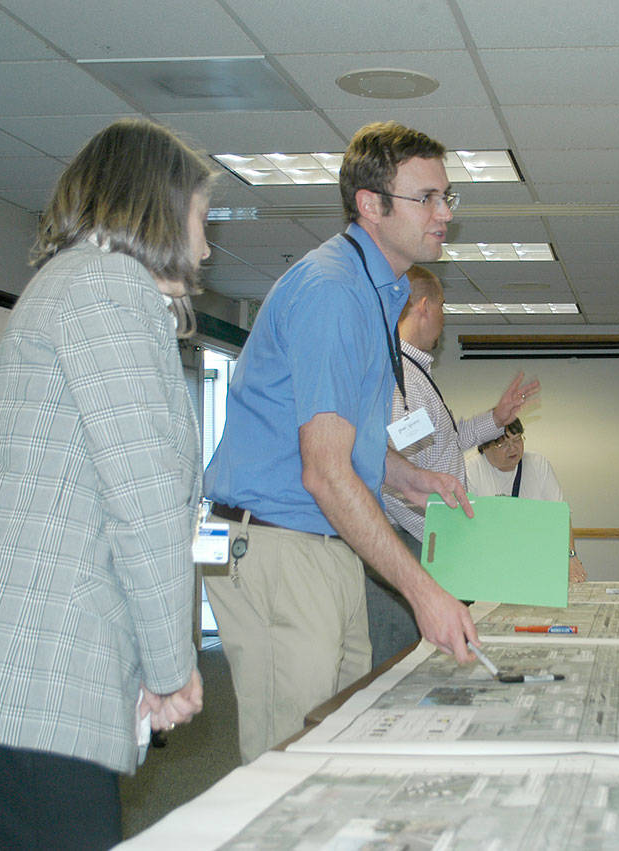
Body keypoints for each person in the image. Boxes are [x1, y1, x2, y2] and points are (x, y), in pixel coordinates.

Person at [0, 119, 213, 849]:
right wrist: (170, 667)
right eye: (199, 219)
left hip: (7, 674)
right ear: (154, 207)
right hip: (27, 676)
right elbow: (143, 500)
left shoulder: (73, 286)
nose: (203, 246)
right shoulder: (107, 289)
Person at [202, 121, 480, 764]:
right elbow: (325, 473)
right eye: (427, 198)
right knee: (289, 754)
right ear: (370, 206)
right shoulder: (333, 292)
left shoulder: (376, 291)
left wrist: (410, 477)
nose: (444, 214)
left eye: (447, 198)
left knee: (338, 737)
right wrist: (424, 591)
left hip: (322, 545)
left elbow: (340, 443)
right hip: (279, 545)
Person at [370, 263, 539, 665]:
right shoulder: (400, 379)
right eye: (443, 306)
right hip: (415, 545)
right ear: (424, 306)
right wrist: (436, 531)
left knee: (426, 656)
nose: (445, 319)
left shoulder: (413, 372)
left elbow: (435, 445)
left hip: (429, 541)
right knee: (403, 661)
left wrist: (496, 420)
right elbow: (385, 473)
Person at [466, 418, 586, 582]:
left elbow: (560, 517)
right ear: (484, 447)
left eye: (517, 440)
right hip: (488, 567)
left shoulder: (538, 464)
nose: (513, 448)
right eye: (504, 444)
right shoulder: (470, 471)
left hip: (534, 564)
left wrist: (570, 557)